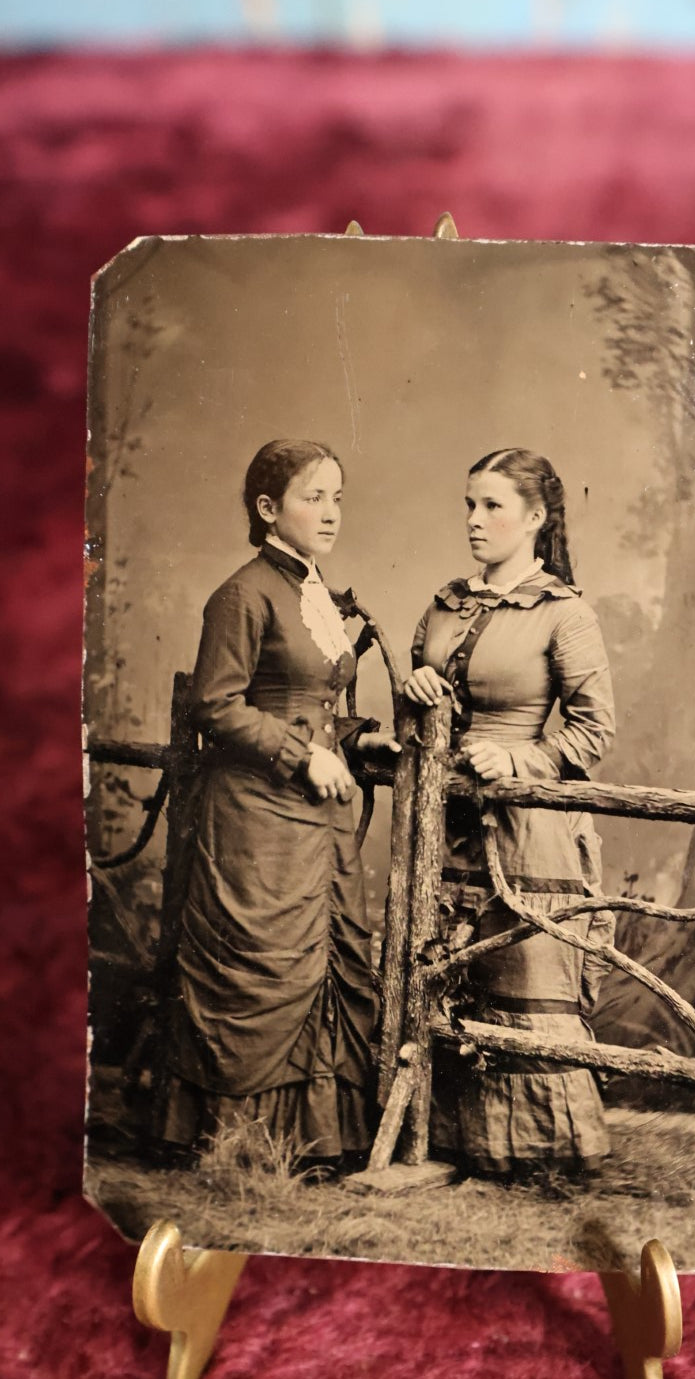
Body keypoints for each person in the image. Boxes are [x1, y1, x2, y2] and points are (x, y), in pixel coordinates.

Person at [162, 438, 397, 1169]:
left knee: (324, 963)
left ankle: (318, 1140)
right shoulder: (241, 594)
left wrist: (359, 744)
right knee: (261, 967)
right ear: (268, 508)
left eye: (337, 497)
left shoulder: (313, 594)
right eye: (312, 497)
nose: (330, 513)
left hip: (317, 820)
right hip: (257, 817)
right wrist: (304, 756)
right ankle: (243, 1140)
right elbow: (216, 705)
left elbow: (315, 704)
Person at [403, 447, 616, 1179]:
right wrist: (420, 685)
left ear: (536, 517)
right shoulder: (446, 602)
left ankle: (534, 1148)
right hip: (444, 818)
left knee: (519, 967)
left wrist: (520, 758)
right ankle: (441, 1136)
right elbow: (415, 707)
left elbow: (595, 730)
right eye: (470, 504)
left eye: (493, 506)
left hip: (525, 827)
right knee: (440, 968)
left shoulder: (565, 611)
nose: (474, 520)